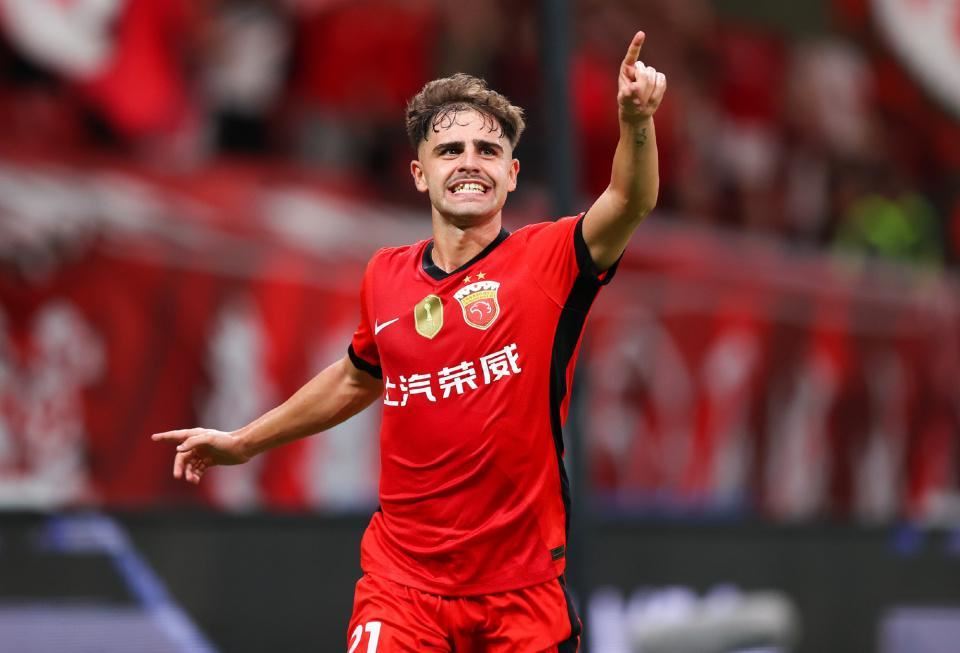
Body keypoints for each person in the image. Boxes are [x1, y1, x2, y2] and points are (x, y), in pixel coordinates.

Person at [153, 30, 665, 653]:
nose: (469, 162)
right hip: (402, 590)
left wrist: (635, 121)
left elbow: (629, 200)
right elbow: (355, 377)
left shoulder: (549, 259)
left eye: (487, 149)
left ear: (511, 174)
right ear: (421, 174)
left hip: (521, 593)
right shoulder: (385, 275)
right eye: (450, 150)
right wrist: (243, 441)